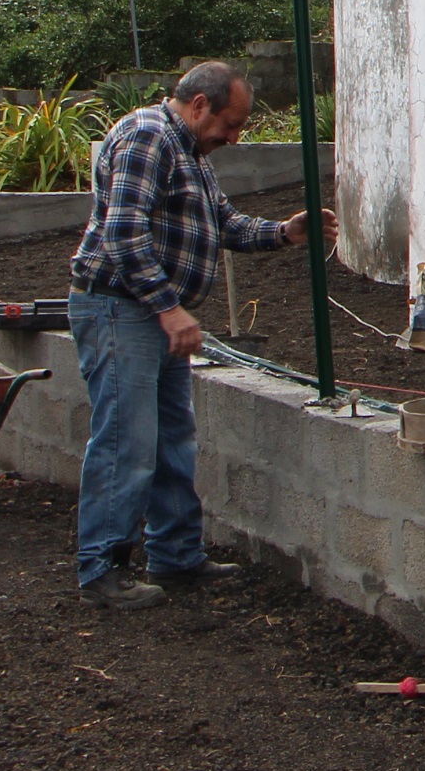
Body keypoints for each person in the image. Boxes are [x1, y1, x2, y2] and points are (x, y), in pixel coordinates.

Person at [67, 60, 336, 610]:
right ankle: (101, 568)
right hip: (122, 312)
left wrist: (285, 233)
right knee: (126, 442)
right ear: (198, 106)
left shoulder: (188, 151)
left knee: (171, 439)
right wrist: (169, 309)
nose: (233, 138)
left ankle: (175, 555)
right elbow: (122, 234)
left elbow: (224, 223)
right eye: (229, 125)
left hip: (151, 316)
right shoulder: (147, 137)